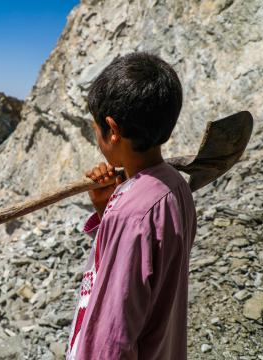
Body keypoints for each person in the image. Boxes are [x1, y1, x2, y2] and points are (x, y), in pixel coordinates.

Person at [65, 52, 197, 360]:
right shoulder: (176, 187)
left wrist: (116, 213)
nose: (96, 136)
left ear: (112, 129)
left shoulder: (132, 214)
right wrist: (105, 210)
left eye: (95, 128)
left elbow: (112, 336)